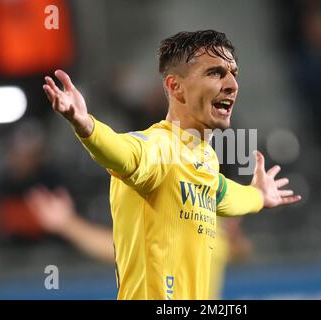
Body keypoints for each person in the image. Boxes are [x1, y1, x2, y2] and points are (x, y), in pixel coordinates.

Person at [42, 30, 301, 300]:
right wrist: (86, 125)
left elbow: (223, 195)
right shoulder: (160, 147)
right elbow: (124, 153)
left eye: (233, 73)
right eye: (215, 73)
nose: (232, 84)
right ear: (176, 87)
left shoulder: (206, 160)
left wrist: (258, 195)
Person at [26, 186, 251, 299]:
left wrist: (234, 237)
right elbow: (114, 248)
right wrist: (67, 224)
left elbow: (241, 252)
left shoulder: (210, 216)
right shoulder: (167, 222)